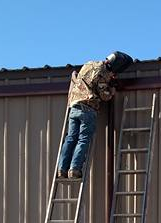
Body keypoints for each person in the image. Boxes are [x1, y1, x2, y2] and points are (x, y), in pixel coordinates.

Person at [56, 51, 134, 179]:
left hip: (74, 106)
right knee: (83, 139)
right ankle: (74, 169)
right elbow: (104, 96)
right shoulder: (102, 74)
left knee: (70, 138)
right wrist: (112, 90)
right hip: (87, 108)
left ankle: (62, 169)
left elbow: (81, 79)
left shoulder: (89, 63)